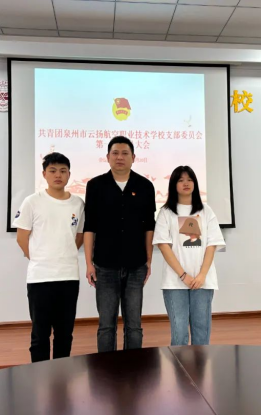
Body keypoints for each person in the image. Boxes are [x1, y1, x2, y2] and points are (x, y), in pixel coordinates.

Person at [83, 136, 156, 352]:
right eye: (115, 153)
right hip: (104, 265)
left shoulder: (145, 186)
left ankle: (133, 367)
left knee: (134, 326)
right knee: (106, 325)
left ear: (134, 157)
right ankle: (107, 368)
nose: (120, 157)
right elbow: (89, 227)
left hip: (136, 265)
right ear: (107, 157)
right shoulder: (95, 185)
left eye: (125, 153)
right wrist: (88, 263)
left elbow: (149, 227)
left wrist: (149, 260)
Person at [14, 152, 84, 362]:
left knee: (65, 333)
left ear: (69, 174)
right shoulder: (32, 202)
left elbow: (79, 236)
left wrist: (64, 254)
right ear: (44, 174)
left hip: (69, 276)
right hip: (40, 278)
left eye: (63, 171)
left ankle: (61, 375)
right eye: (52, 171)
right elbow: (21, 238)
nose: (58, 175)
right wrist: (39, 258)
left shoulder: (78, 204)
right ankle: (39, 375)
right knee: (40, 334)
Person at [152, 166, 225, 346]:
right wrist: (183, 275)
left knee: (201, 330)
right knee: (179, 332)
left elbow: (212, 245)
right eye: (181, 180)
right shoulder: (166, 212)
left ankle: (200, 365)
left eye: (190, 179)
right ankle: (179, 365)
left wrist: (201, 276)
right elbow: (163, 246)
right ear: (173, 185)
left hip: (202, 281)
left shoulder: (206, 211)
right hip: (175, 281)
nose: (186, 183)